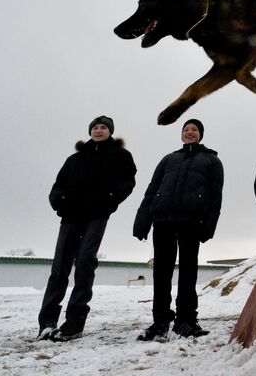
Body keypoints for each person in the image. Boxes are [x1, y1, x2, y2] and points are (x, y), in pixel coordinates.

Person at [38, 115, 137, 341]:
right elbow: (58, 184)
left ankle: (74, 321)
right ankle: (47, 322)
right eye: (95, 127)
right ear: (90, 131)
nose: (99, 130)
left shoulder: (120, 156)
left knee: (84, 262)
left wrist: (111, 199)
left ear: (110, 131)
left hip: (97, 215)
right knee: (59, 267)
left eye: (103, 127)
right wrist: (58, 201)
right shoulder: (75, 159)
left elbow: (128, 181)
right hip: (71, 216)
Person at [133, 119, 223, 341]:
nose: (189, 133)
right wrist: (142, 220)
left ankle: (186, 320)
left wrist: (209, 226)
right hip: (162, 221)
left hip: (191, 222)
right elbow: (152, 190)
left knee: (188, 272)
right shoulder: (169, 159)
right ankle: (160, 321)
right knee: (161, 273)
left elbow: (215, 197)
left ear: (201, 134)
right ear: (181, 134)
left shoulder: (211, 161)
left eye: (194, 130)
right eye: (186, 130)